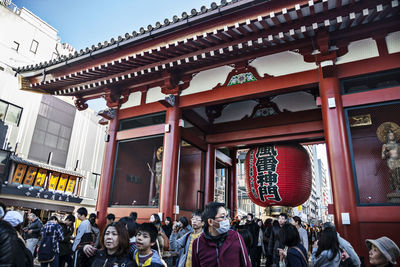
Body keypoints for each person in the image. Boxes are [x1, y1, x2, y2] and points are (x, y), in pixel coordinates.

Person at [191, 202, 251, 267]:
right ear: (210, 222)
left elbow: (246, 264)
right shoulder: (198, 243)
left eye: (227, 216)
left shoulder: (236, 237)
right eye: (222, 217)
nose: (226, 220)